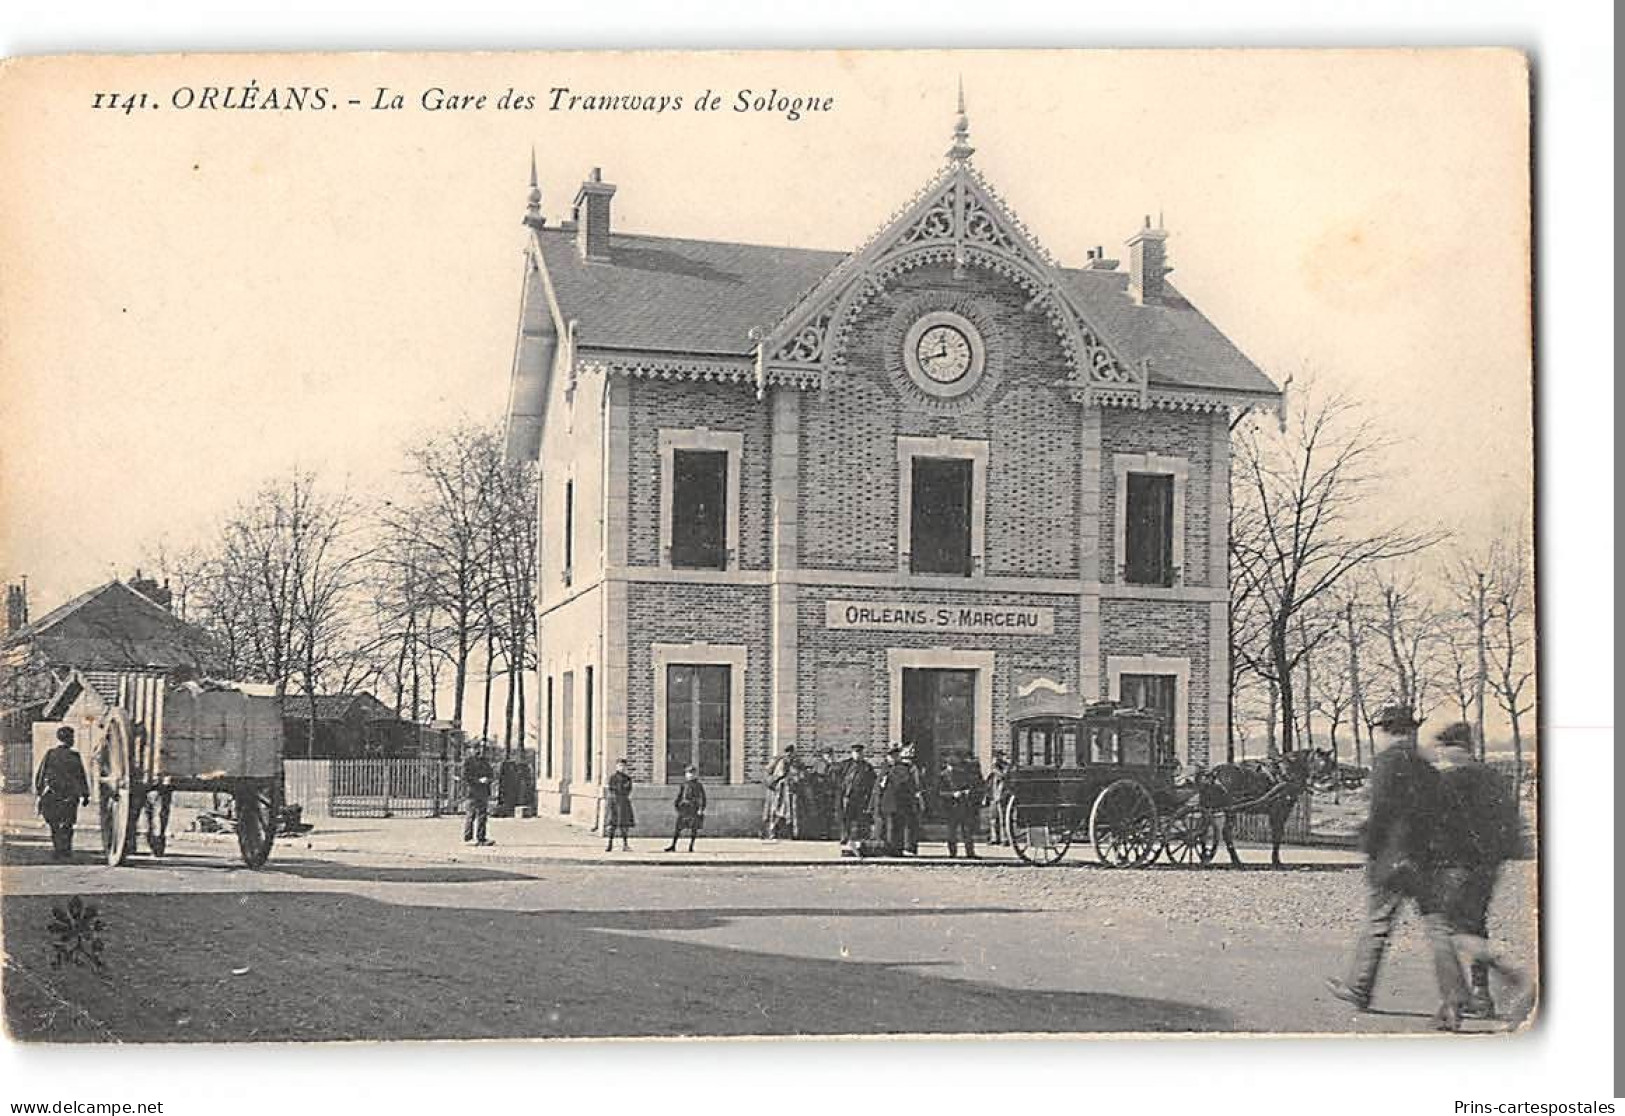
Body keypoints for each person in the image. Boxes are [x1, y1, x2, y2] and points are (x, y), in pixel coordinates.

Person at [1325, 704, 1466, 1027]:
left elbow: (1381, 816)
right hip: (1425, 860)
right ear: (1411, 730)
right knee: (1437, 930)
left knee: (1378, 924)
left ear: (1387, 731)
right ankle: (1455, 1000)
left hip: (1393, 859)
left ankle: (1359, 988)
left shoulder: (1387, 763)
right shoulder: (1427, 767)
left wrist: (1370, 849)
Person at [1428, 722, 1533, 1026]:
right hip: (1488, 868)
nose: (1442, 753)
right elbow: (1511, 825)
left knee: (1447, 930)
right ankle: (1481, 996)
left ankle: (1509, 978)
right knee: (1474, 926)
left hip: (1455, 866)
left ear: (1454, 747)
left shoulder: (1449, 780)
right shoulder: (1494, 778)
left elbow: (1433, 825)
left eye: (1444, 747)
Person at [35, 725, 90, 861]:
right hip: (70, 795)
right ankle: (66, 849)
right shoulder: (74, 756)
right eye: (72, 737)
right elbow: (81, 776)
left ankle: (58, 849)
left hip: (53, 794)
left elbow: (41, 774)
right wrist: (85, 794)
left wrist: (39, 791)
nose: (73, 740)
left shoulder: (50, 754)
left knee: (54, 824)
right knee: (67, 824)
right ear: (70, 739)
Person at [881, 745, 925, 856]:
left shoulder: (904, 768)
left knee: (903, 826)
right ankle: (894, 849)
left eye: (894, 756)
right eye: (890, 756)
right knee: (893, 826)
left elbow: (907, 784)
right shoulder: (886, 768)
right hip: (890, 802)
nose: (892, 758)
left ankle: (904, 848)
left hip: (903, 802)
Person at [940, 751, 983, 859]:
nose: (953, 767)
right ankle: (952, 853)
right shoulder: (943, 776)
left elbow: (969, 786)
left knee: (967, 830)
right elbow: (939, 792)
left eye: (954, 764)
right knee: (952, 832)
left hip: (964, 805)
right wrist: (953, 794)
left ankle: (970, 852)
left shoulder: (962, 774)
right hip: (951, 807)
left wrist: (966, 791)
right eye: (951, 764)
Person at [835, 743, 876, 845]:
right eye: (855, 752)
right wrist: (841, 788)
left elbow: (872, 782)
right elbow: (838, 777)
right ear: (852, 753)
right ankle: (844, 836)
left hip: (860, 796)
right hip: (847, 795)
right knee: (845, 817)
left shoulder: (867, 767)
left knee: (860, 817)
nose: (858, 755)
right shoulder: (845, 765)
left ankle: (859, 838)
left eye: (860, 752)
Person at [763, 745, 803, 840]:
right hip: (782, 790)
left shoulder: (791, 761)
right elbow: (781, 774)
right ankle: (774, 832)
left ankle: (786, 833)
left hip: (786, 790)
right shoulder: (783, 762)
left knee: (786, 811)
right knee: (783, 811)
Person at [666, 765, 707, 852]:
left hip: (693, 808)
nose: (690, 775)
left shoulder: (698, 785)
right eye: (688, 773)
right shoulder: (684, 784)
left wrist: (700, 809)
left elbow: (702, 798)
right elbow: (680, 795)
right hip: (684, 808)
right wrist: (677, 804)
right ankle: (673, 845)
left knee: (694, 828)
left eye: (692, 773)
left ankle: (691, 846)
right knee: (678, 827)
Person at [461, 744, 496, 846]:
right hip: (472, 792)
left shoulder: (485, 762)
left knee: (482, 815)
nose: (478, 751)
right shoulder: (468, 762)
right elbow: (465, 777)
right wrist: (478, 781)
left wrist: (488, 780)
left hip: (483, 792)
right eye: (476, 748)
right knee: (471, 815)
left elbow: (491, 774)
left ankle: (481, 838)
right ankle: (468, 838)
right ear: (472, 749)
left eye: (480, 749)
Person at [605, 758, 635, 851]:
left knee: (624, 825)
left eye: (623, 766)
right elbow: (611, 788)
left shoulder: (627, 778)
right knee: (612, 824)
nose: (621, 768)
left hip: (623, 803)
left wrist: (622, 790)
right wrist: (619, 790)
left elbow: (628, 790)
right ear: (616, 767)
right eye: (620, 766)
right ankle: (609, 844)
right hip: (614, 803)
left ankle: (625, 845)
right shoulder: (612, 778)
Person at [984, 753, 1010, 846]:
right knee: (993, 819)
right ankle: (994, 838)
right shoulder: (992, 773)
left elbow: (1003, 777)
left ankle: (1005, 838)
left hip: (1002, 797)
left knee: (1003, 819)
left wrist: (996, 769)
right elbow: (988, 784)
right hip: (993, 797)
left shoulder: (1005, 769)